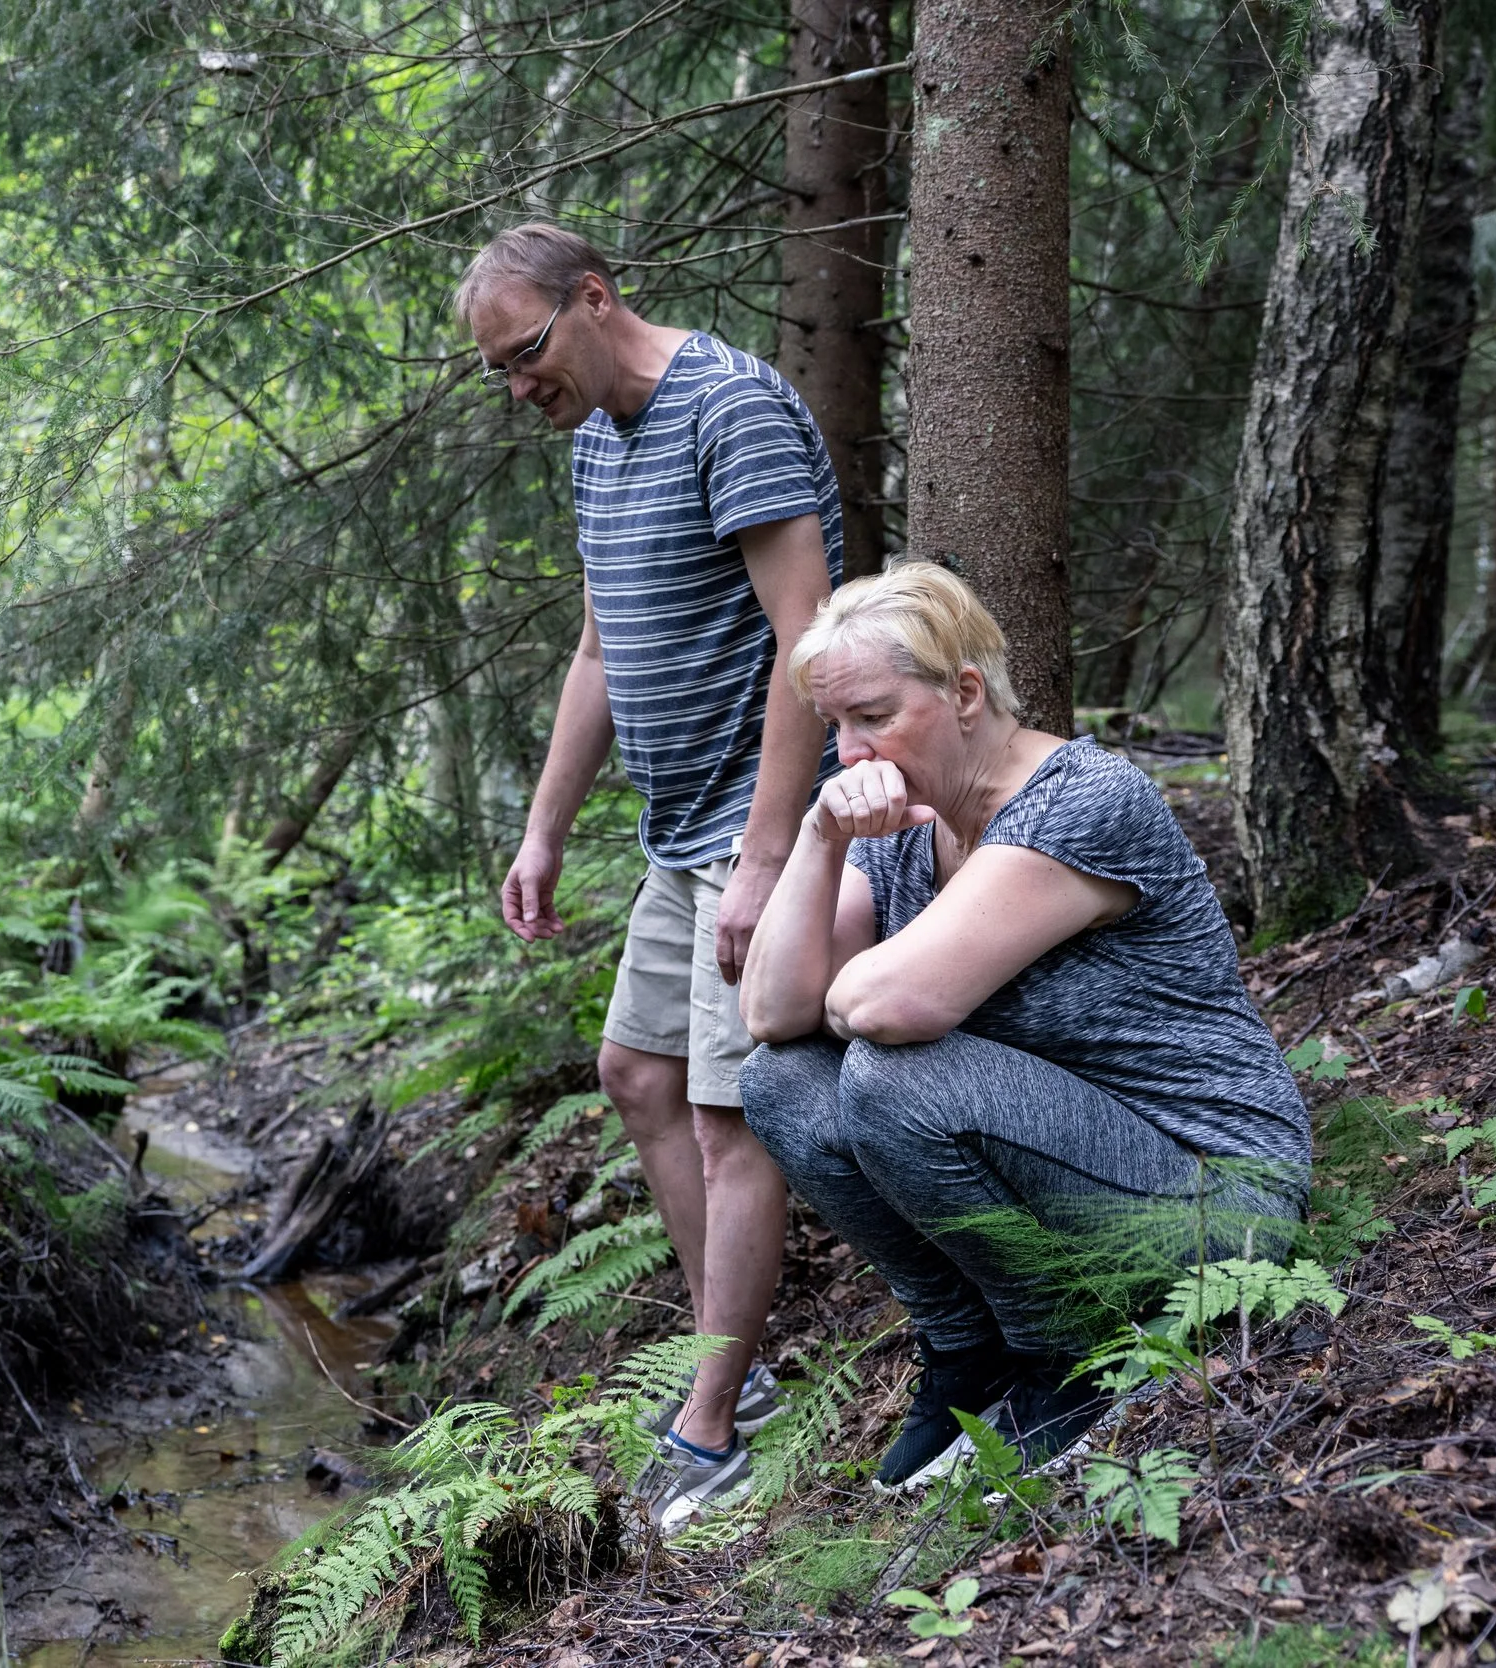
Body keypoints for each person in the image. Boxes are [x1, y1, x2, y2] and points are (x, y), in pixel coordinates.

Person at [736, 564, 1309, 1488]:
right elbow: (770, 1015)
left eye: (875, 716)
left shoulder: (1082, 801)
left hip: (1209, 1195)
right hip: (1074, 1169)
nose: (852, 754)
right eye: (835, 727)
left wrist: (849, 987)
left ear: (965, 692)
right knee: (781, 1079)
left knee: (890, 1074)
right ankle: (970, 1349)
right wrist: (817, 839)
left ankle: (1065, 1352)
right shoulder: (897, 823)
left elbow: (884, 1007)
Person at [458, 223, 841, 1528]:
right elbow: (597, 653)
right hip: (678, 835)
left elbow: (811, 643)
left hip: (761, 829)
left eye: (525, 355)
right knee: (636, 1074)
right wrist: (546, 828)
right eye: (498, 372)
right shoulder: (597, 449)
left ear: (596, 299)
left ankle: (713, 1429)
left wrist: (768, 855)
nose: (519, 389)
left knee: (736, 1120)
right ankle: (727, 1366)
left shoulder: (730, 410)